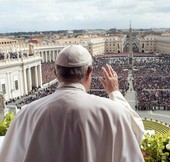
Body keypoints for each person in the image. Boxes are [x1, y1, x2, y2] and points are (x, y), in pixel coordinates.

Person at [0, 45, 145, 162]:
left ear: (55, 73)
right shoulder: (113, 112)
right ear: (89, 72)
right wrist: (115, 92)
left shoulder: (26, 113)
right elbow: (136, 133)